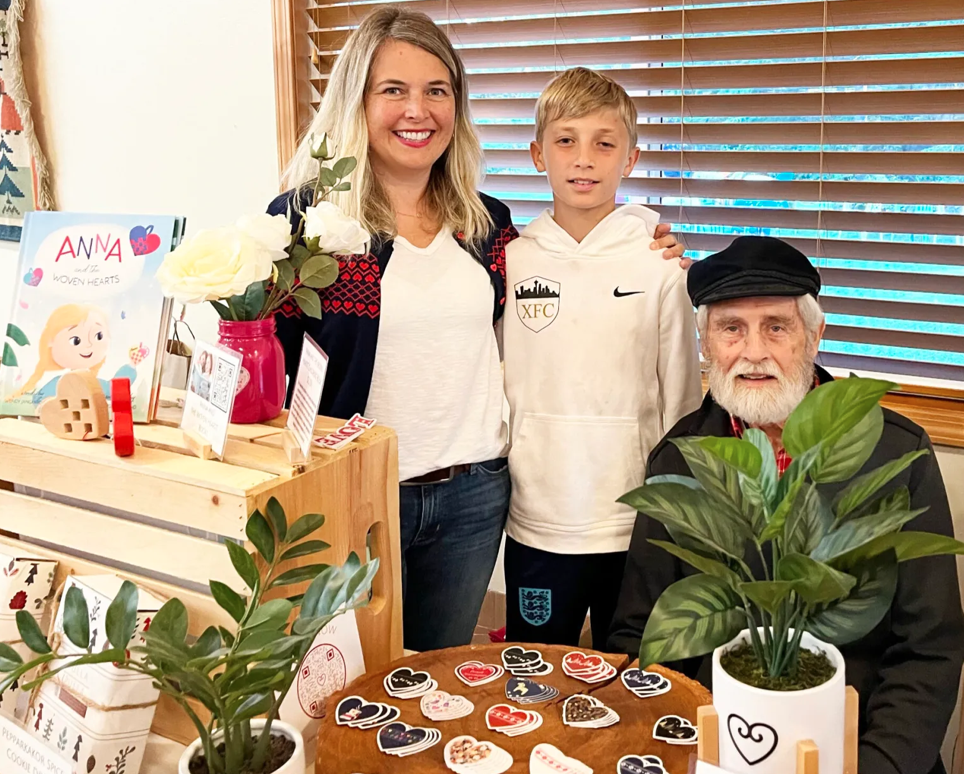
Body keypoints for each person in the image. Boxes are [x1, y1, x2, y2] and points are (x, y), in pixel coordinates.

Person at [267, 7, 689, 651]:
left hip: (472, 498)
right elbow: (265, 367)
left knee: (438, 675)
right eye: (393, 89)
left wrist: (644, 237)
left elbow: (571, 289)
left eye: (436, 90)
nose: (418, 110)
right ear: (357, 99)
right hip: (360, 491)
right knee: (346, 673)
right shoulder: (307, 223)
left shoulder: (486, 225)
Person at [608, 235, 964, 774]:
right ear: (706, 343)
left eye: (777, 327)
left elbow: (929, 649)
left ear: (815, 335)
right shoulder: (680, 459)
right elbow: (642, 635)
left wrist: (876, 765)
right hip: (720, 745)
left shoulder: (895, 453)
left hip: (861, 746)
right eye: (731, 328)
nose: (754, 353)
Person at [501, 67, 703, 649]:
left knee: (632, 677)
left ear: (631, 158)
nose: (584, 159)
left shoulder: (660, 266)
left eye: (604, 143)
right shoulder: (511, 261)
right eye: (566, 140)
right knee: (534, 674)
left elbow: (681, 401)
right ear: (538, 154)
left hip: (632, 520)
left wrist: (676, 509)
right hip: (539, 517)